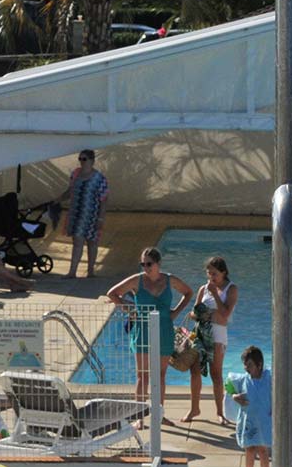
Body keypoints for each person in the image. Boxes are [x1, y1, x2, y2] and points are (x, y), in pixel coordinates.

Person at [105, 247, 194, 418]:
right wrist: (130, 311)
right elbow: (113, 293)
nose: (145, 267)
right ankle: (139, 416)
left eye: (149, 264)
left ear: (158, 263)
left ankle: (158, 414)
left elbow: (188, 292)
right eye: (143, 264)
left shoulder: (169, 280)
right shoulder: (136, 280)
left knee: (160, 375)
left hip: (164, 330)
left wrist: (175, 311)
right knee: (142, 376)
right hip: (143, 331)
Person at [190, 255, 237, 425]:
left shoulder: (231, 289)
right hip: (202, 333)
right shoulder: (203, 289)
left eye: (214, 274)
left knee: (216, 374)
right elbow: (193, 312)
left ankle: (220, 412)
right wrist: (204, 314)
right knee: (195, 370)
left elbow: (225, 314)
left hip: (218, 334)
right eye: (209, 274)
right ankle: (194, 408)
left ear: (223, 273)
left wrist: (215, 296)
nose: (211, 277)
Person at [227, 344, 272, 467]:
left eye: (249, 365)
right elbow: (228, 385)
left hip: (263, 421)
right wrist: (235, 396)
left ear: (259, 365)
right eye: (245, 364)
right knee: (250, 450)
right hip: (249, 422)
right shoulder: (242, 379)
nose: (246, 368)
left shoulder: (268, 379)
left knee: (263, 451)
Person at [63, 150, 109, 279]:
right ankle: (72, 271)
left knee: (92, 242)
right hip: (76, 213)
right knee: (77, 241)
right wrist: (57, 199)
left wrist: (100, 218)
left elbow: (104, 199)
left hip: (91, 214)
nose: (82, 162)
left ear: (92, 160)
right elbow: (70, 190)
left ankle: (90, 271)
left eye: (85, 159)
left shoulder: (99, 178)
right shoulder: (75, 174)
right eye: (80, 159)